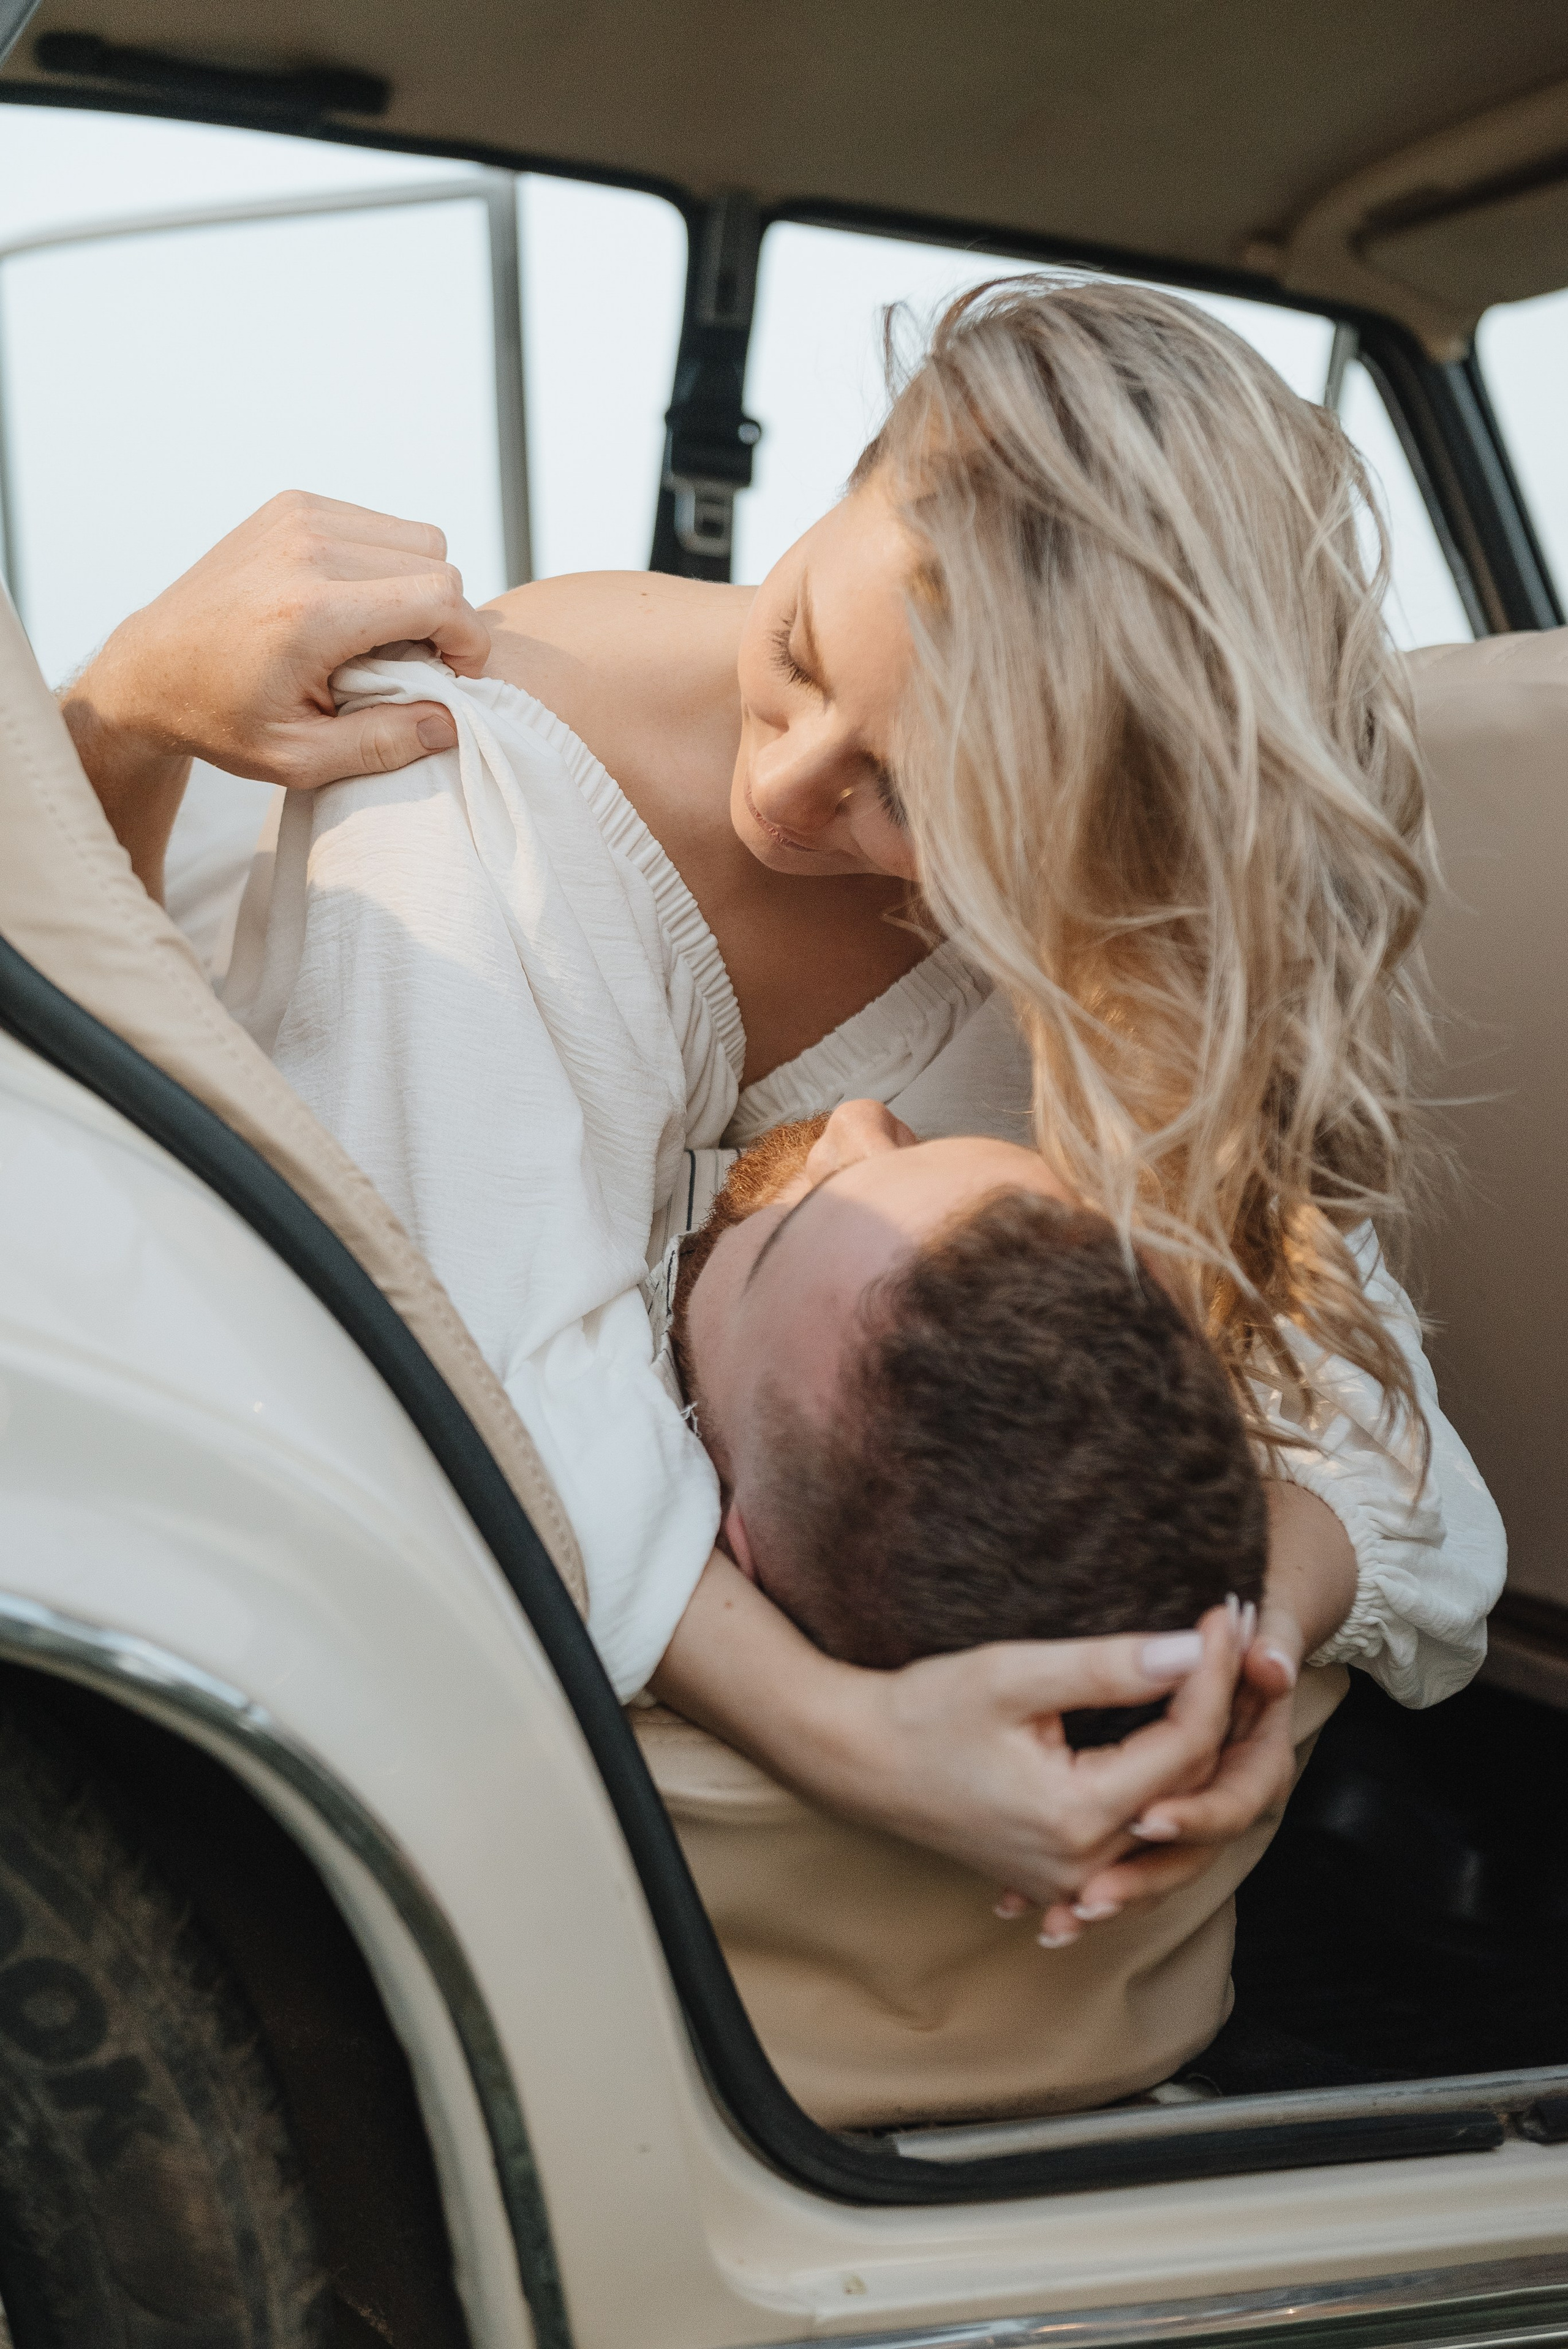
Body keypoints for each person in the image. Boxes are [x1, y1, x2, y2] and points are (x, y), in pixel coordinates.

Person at [60, 273, 1505, 1946]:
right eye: (804, 645)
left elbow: (1384, 1437)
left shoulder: (1110, 938)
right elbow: (495, 1406)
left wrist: (1234, 1668)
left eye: (919, 799)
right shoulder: (459, 774)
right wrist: (863, 1744)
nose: (788, 784)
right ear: (853, 474)